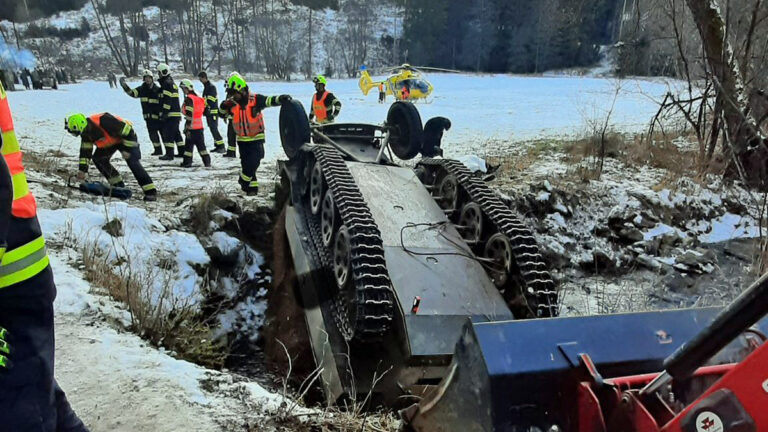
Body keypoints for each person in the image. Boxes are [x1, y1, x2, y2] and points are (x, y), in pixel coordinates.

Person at [0, 82, 89, 432]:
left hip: (12, 277)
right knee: (33, 393)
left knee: (19, 409)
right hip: (18, 266)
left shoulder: (99, 126)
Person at [221, 73, 291, 195]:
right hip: (242, 140)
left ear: (241, 90)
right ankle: (252, 189)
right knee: (247, 164)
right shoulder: (232, 104)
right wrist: (223, 106)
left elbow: (269, 101)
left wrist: (281, 99)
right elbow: (221, 114)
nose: (232, 96)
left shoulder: (255, 100)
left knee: (254, 162)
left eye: (234, 93)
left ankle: (243, 180)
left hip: (256, 138)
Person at [65, 112, 158, 201]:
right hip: (110, 143)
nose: (76, 135)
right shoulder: (85, 132)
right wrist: (82, 170)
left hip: (125, 139)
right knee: (99, 159)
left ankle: (150, 191)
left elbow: (129, 132)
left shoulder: (105, 121)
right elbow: (85, 152)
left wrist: (128, 150)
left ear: (81, 126)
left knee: (132, 161)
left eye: (75, 132)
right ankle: (118, 186)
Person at [120, 70, 164, 156]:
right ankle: (158, 150)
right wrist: (124, 86)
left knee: (164, 135)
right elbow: (132, 93)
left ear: (152, 78)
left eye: (149, 78)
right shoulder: (141, 89)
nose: (147, 80)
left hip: (158, 117)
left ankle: (169, 151)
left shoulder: (157, 89)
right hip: (148, 118)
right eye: (146, 78)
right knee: (152, 135)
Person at [179, 79, 211, 168]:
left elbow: (189, 113)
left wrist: (188, 126)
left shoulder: (189, 99)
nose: (183, 91)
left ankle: (187, 162)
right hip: (199, 127)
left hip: (192, 128)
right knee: (202, 147)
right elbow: (205, 111)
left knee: (188, 147)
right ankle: (207, 162)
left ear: (187, 88)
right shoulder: (199, 99)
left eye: (183, 89)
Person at [156, 64, 184, 160]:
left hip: (170, 114)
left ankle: (169, 154)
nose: (158, 75)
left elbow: (167, 100)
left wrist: (164, 113)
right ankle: (182, 151)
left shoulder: (166, 84)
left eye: (159, 73)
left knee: (168, 134)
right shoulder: (171, 82)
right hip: (175, 113)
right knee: (176, 134)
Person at [197, 71, 226, 153]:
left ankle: (221, 146)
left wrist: (204, 104)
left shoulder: (211, 87)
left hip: (212, 112)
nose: (200, 81)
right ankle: (217, 145)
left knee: (214, 129)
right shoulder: (207, 87)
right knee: (212, 129)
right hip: (208, 112)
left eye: (201, 79)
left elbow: (210, 100)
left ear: (204, 78)